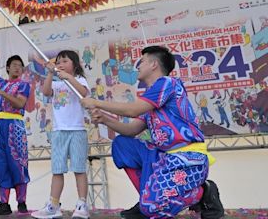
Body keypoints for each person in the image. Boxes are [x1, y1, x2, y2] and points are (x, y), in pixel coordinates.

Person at [81, 46, 225, 219]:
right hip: (165, 158)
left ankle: (203, 193)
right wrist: (104, 118)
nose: (138, 66)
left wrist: (97, 103)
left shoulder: (167, 83)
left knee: (152, 208)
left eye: (142, 62)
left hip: (188, 158)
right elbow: (131, 129)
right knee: (122, 145)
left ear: (154, 65)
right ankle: (146, 198)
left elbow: (133, 110)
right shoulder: (151, 98)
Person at [31, 50, 90, 219]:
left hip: (77, 130)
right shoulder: (57, 84)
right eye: (58, 62)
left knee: (79, 168)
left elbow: (84, 93)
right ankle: (53, 205)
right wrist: (50, 73)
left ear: (75, 64)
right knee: (57, 170)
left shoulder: (79, 80)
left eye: (65, 61)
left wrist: (68, 77)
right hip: (58, 132)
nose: (60, 64)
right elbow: (46, 91)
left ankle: (81, 205)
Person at [0, 50, 31, 215]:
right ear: (8, 68)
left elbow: (19, 104)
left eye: (20, 66)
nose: (18, 68)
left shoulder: (24, 85)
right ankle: (4, 203)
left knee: (18, 161)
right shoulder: (0, 82)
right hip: (0, 126)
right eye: (14, 65)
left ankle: (21, 202)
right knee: (1, 162)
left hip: (15, 125)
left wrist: (2, 93)